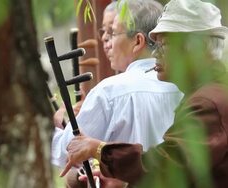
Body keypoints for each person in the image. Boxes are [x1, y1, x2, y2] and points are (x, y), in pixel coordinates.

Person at [62, 0, 228, 187]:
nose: (155, 53)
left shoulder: (209, 103)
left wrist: (99, 150)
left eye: (164, 45)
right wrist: (122, 181)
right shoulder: (210, 93)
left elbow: (165, 167)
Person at [52, 0, 183, 183]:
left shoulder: (109, 93)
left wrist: (55, 127)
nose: (106, 41)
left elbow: (68, 152)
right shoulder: (182, 88)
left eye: (113, 33)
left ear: (138, 41)